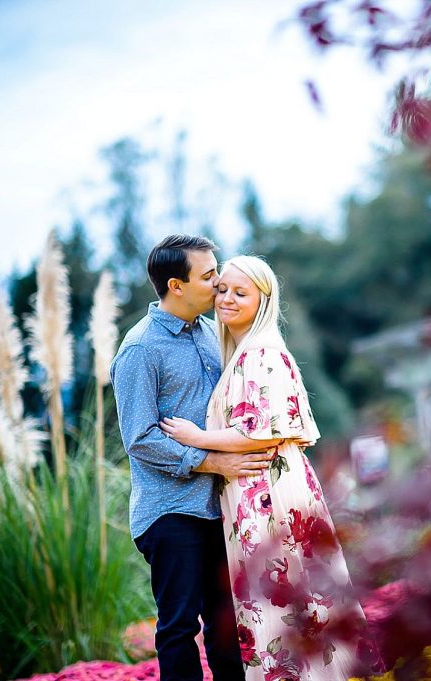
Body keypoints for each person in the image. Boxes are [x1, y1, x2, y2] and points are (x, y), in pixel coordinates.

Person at [160, 255, 376, 681]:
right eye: (223, 289)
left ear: (263, 302)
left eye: (242, 293)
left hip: (269, 496)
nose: (227, 298)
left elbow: (264, 432)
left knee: (285, 605)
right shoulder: (241, 353)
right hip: (253, 493)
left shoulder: (263, 353)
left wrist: (194, 437)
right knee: (282, 607)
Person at [111, 235, 274, 681]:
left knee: (227, 623)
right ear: (175, 285)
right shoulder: (140, 349)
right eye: (208, 276)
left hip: (219, 506)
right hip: (169, 510)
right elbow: (140, 438)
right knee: (179, 627)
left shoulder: (210, 331)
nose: (219, 281)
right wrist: (212, 462)